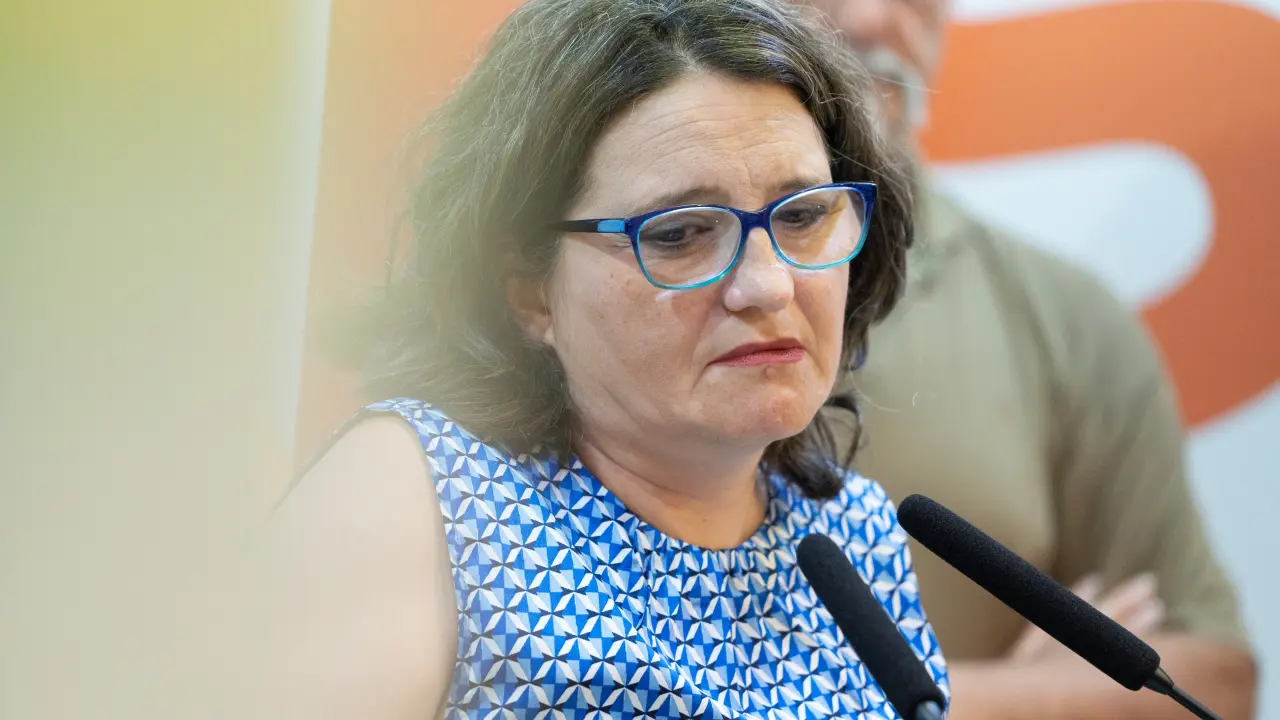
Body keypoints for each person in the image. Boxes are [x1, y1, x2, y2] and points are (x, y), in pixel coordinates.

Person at [253, 0, 951, 717]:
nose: (768, 285)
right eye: (679, 234)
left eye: (801, 216)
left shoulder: (854, 530)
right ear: (529, 292)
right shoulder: (424, 499)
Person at [794, 1, 1259, 719]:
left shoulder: (1063, 317)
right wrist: (1024, 698)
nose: (873, 18)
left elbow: (1210, 685)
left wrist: (942, 700)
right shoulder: (634, 298)